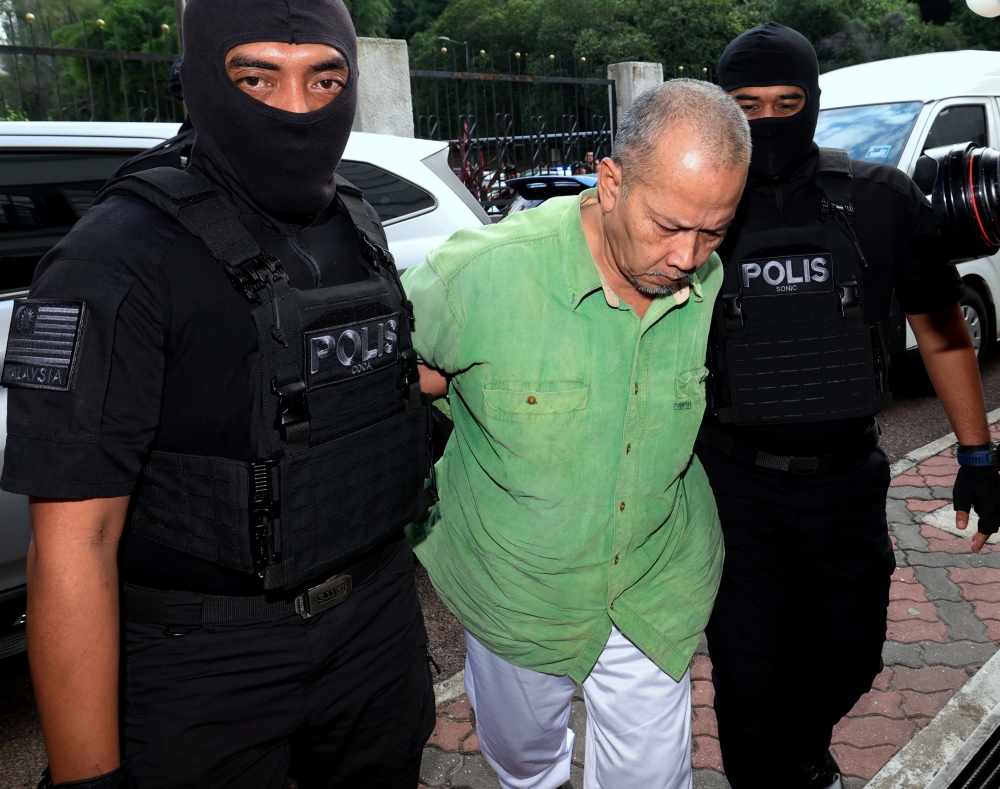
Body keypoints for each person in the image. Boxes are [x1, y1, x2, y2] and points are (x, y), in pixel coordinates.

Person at [2, 1, 436, 787]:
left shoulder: (358, 224)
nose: (297, 111)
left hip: (374, 629)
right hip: (205, 665)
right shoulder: (115, 257)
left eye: (324, 78)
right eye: (257, 77)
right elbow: (73, 542)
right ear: (201, 78)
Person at [404, 79, 750, 789]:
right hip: (516, 595)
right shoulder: (478, 275)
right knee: (528, 770)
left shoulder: (705, 280)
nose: (688, 256)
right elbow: (389, 379)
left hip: (656, 584)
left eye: (713, 230)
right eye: (668, 225)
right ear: (612, 181)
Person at [698, 23, 1000, 789]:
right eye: (747, 104)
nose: (768, 120)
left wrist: (976, 454)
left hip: (847, 484)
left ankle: (797, 752)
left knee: (854, 656)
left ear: (815, 102)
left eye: (787, 100)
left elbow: (942, 335)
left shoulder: (879, 202)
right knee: (749, 676)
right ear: (721, 108)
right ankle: (772, 770)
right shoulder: (696, 212)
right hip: (736, 487)